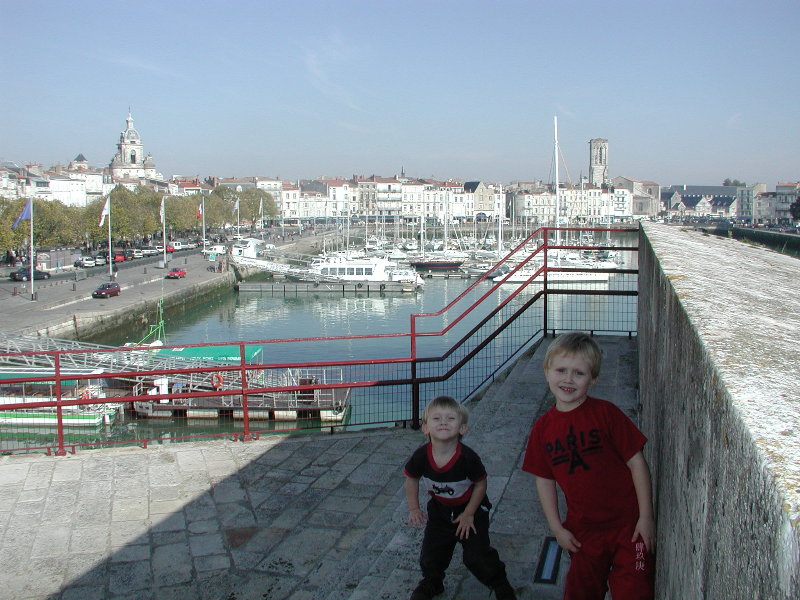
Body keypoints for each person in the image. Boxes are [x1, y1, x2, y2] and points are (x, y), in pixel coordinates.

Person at [522, 332, 655, 599]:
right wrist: (556, 528)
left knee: (636, 589)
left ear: (593, 379)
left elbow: (637, 463)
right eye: (561, 370)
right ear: (547, 372)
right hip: (582, 532)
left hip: (630, 528)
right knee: (581, 591)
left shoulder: (606, 414)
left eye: (579, 373)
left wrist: (646, 517)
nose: (568, 379)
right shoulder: (542, 429)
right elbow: (544, 479)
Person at [404, 395, 516, 600]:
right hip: (439, 510)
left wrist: (469, 514)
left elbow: (480, 484)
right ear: (425, 428)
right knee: (431, 553)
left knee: (477, 556)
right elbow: (411, 478)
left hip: (471, 508)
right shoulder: (421, 456)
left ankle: (500, 583)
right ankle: (432, 582)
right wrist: (414, 508)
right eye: (436, 418)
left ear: (462, 428)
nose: (443, 422)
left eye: (450, 418)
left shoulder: (467, 458)